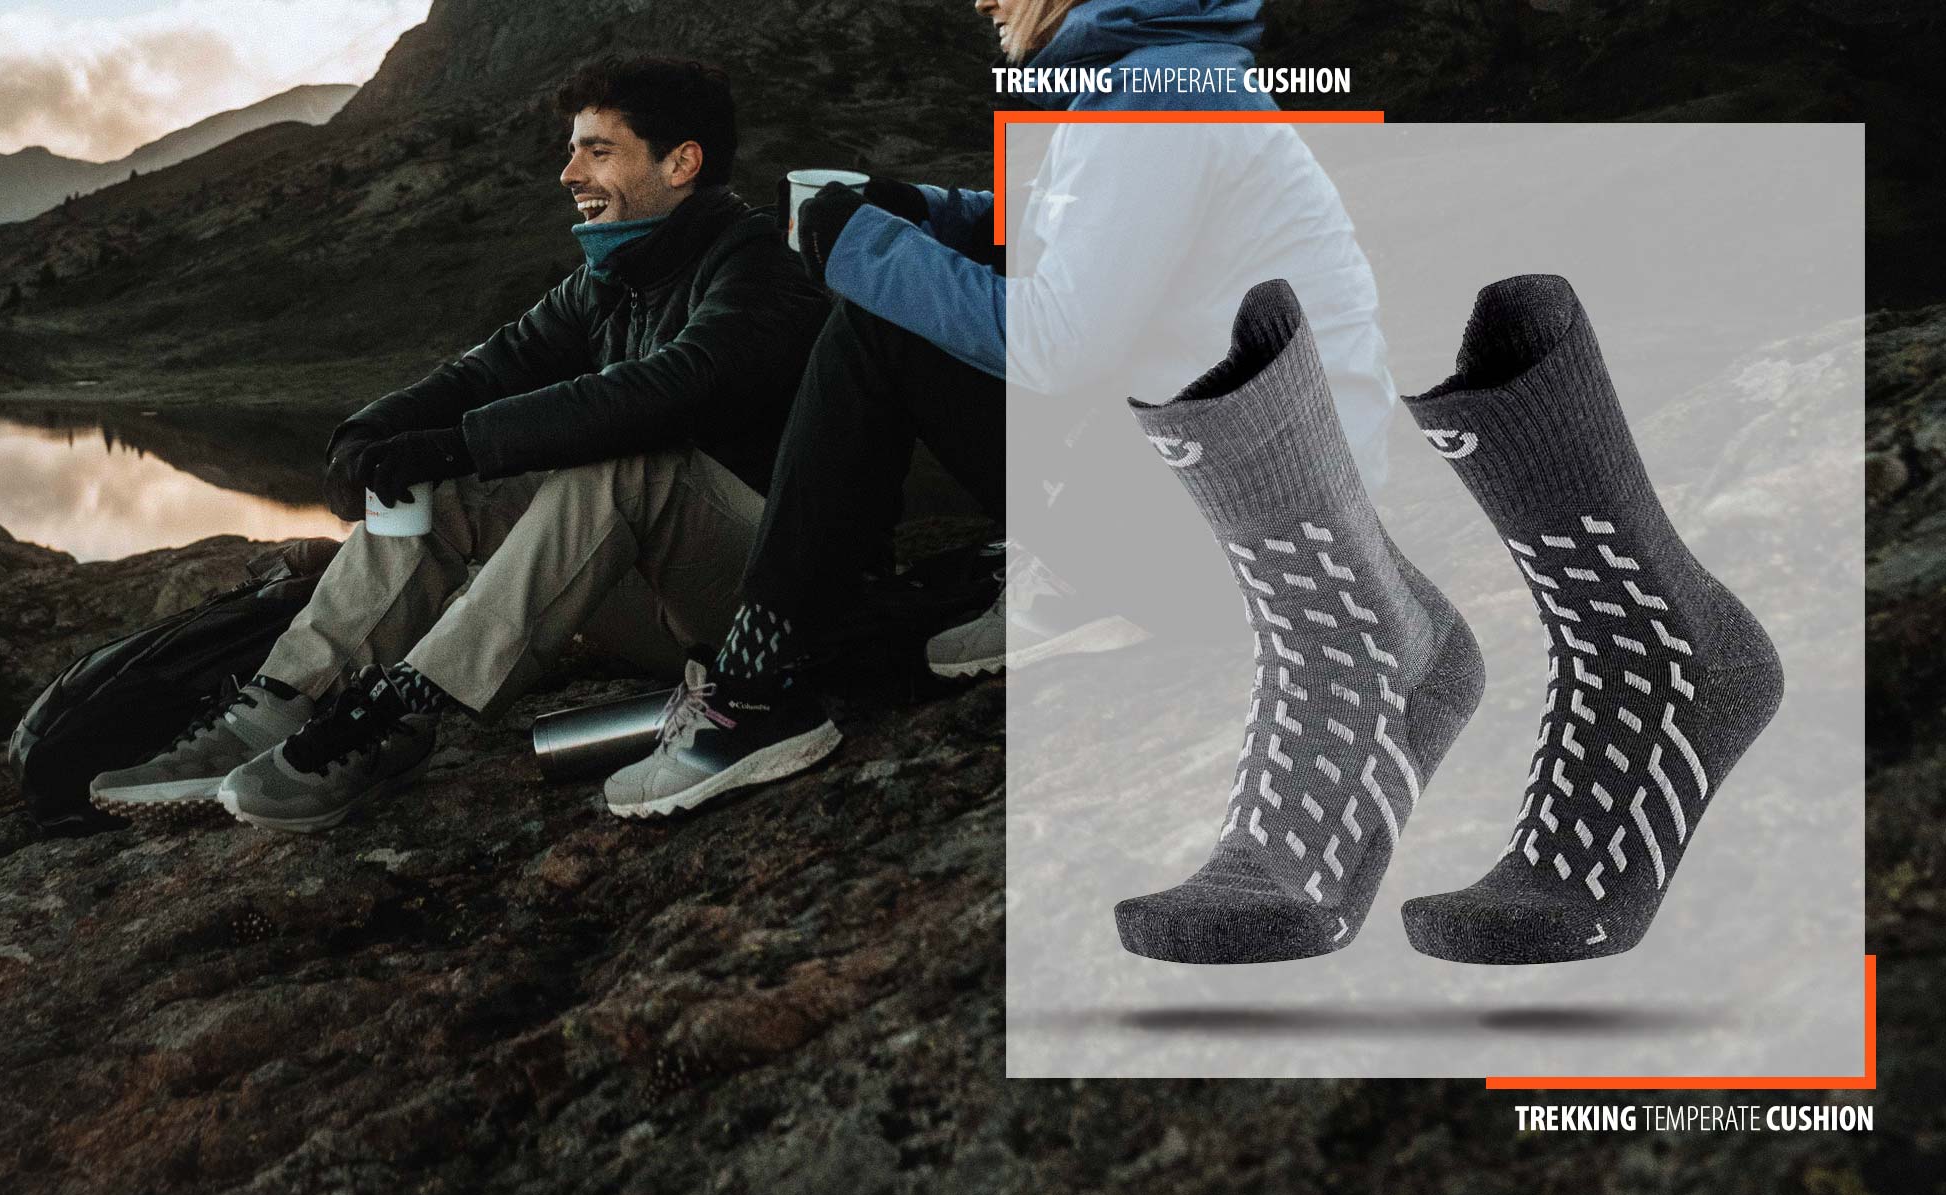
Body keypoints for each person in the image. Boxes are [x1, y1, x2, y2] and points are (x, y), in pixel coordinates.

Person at [599, 0, 1401, 810]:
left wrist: (864, 247)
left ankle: (752, 689)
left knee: (880, 327)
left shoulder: (1152, 101)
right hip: (1281, 519)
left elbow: (1056, 343)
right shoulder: (1171, 78)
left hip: (1232, 555)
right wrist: (923, 211)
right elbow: (1080, 238)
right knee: (911, 305)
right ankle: (1072, 581)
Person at [86, 55, 827, 831]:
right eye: (572, 150)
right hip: (660, 614)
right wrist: (370, 434)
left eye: (598, 151)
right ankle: (282, 703)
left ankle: (404, 706)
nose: (569, 173)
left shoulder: (760, 265)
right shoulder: (613, 278)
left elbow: (670, 389)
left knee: (629, 463)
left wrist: (458, 444)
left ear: (681, 163)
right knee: (438, 491)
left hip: (767, 605)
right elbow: (488, 369)